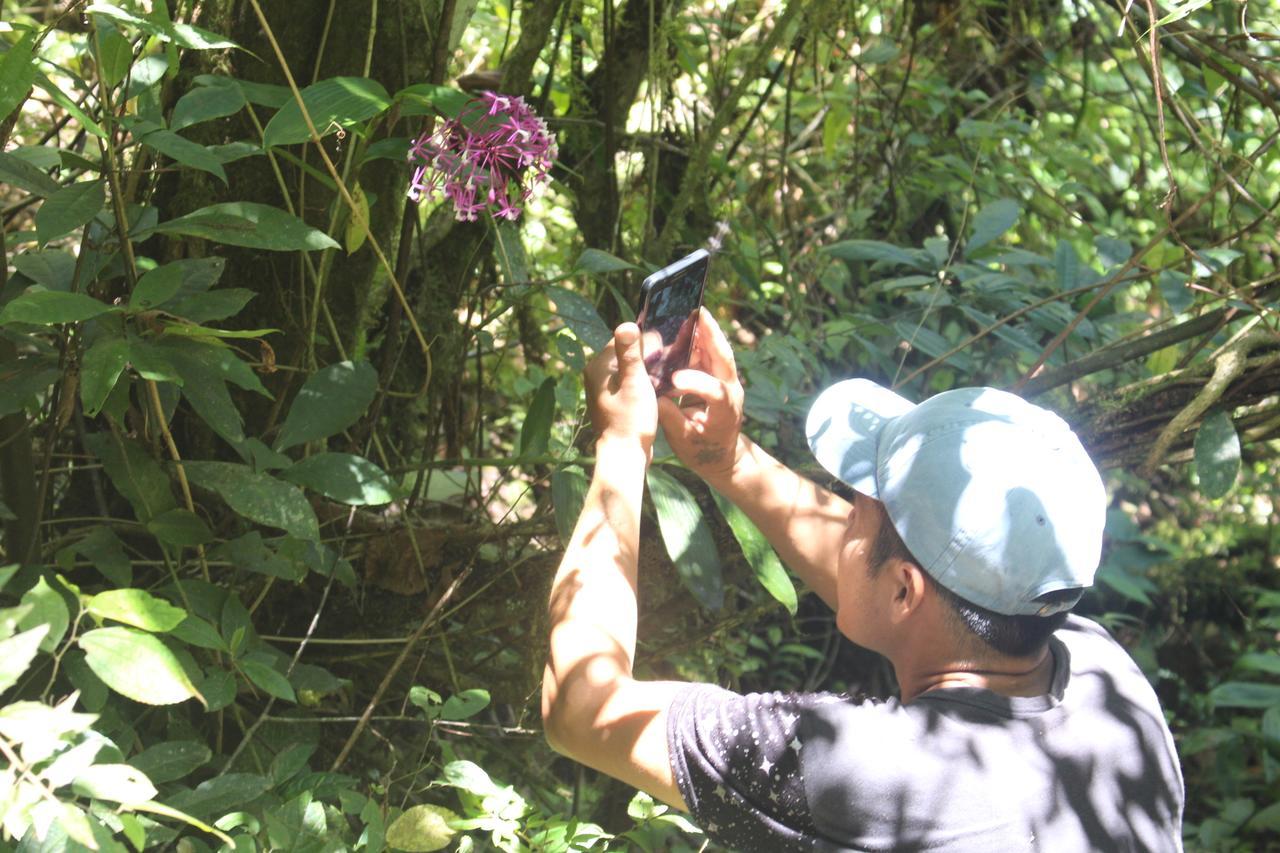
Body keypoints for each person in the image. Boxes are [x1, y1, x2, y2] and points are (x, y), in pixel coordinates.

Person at [542, 309, 1185, 851]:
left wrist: (624, 447)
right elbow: (919, 579)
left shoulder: (869, 771)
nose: (843, 519)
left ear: (906, 589)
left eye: (859, 511)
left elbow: (584, 709)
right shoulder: (1110, 683)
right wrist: (726, 459)